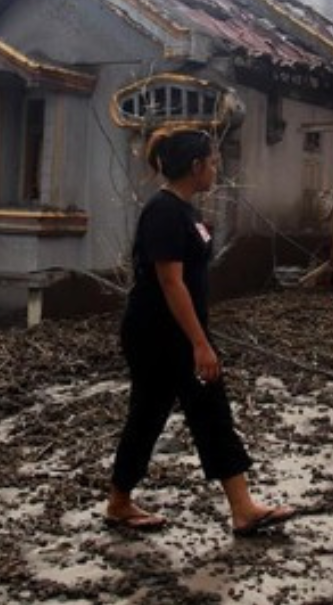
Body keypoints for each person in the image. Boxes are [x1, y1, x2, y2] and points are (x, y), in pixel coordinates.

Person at [105, 128, 296, 537]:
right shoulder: (164, 212)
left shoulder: (184, 210)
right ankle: (240, 508)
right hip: (159, 332)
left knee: (159, 413)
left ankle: (122, 502)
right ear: (195, 167)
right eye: (211, 162)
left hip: (172, 330)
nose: (216, 168)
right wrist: (200, 344)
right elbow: (171, 282)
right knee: (195, 409)